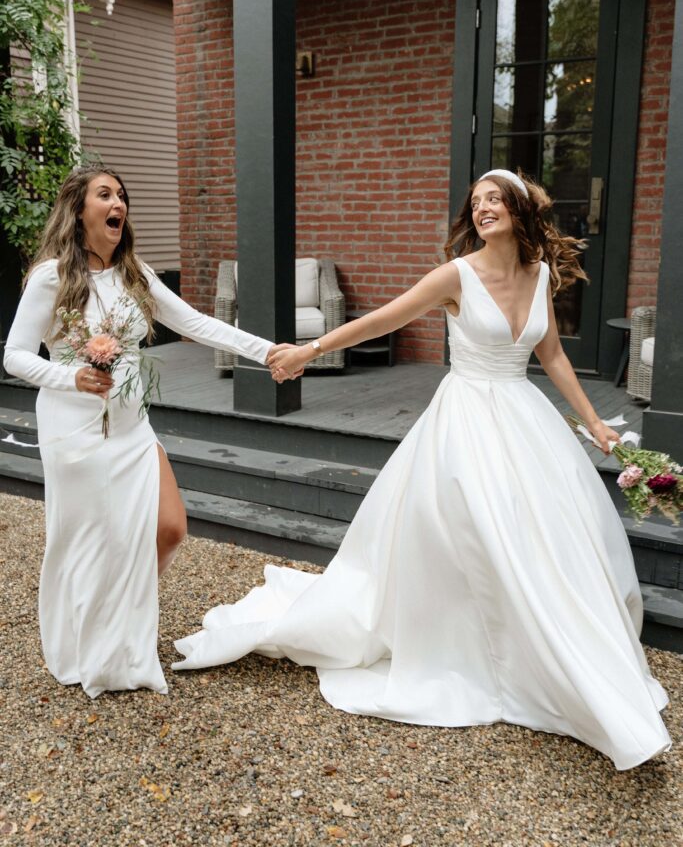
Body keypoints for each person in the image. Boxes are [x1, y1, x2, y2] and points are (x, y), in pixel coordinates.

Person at [173, 169, 671, 770]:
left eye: (495, 199)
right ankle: (474, 648)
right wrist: (310, 349)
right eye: (476, 202)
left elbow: (553, 355)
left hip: (524, 417)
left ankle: (541, 645)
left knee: (539, 533)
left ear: (519, 209)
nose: (482, 208)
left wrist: (594, 422)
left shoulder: (540, 275)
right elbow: (384, 319)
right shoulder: (456, 274)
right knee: (478, 528)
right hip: (465, 421)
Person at [3, 164, 290, 699]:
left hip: (132, 425)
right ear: (79, 210)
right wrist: (71, 376)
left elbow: (196, 323)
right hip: (74, 430)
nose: (119, 204)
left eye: (121, 196)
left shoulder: (136, 273)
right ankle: (94, 635)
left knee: (170, 527)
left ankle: (123, 615)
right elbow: (15, 356)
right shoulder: (51, 277)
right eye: (105, 195)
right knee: (88, 543)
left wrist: (268, 351)